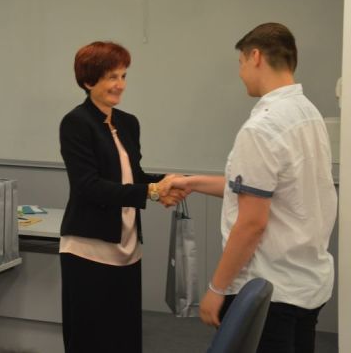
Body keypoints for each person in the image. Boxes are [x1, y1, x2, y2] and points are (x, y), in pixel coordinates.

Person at [172, 23, 337, 353]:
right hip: (307, 285)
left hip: (268, 292)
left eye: (241, 63)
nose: (240, 73)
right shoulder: (308, 115)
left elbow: (251, 223)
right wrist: (191, 182)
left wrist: (216, 289)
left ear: (256, 56)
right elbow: (266, 191)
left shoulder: (262, 127)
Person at [58, 41, 182, 353]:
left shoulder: (128, 122)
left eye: (123, 76)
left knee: (124, 337)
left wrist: (166, 183)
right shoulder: (76, 123)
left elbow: (132, 177)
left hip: (127, 247)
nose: (120, 85)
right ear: (89, 81)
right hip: (88, 250)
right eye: (112, 77)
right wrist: (151, 192)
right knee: (91, 340)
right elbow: (88, 186)